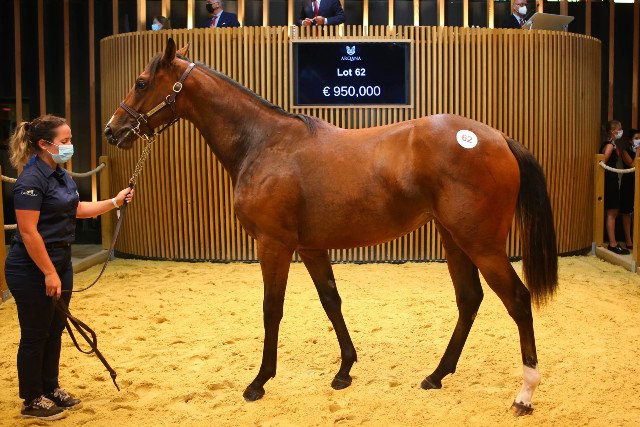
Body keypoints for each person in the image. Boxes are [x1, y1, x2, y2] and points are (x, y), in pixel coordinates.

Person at [5, 115, 134, 420]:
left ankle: (50, 387)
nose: (70, 145)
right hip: (31, 267)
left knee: (55, 329)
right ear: (44, 144)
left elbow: (77, 209)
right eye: (64, 141)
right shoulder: (30, 180)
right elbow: (28, 232)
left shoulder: (61, 175)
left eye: (70, 139)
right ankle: (32, 399)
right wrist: (49, 272)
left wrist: (114, 202)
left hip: (60, 261)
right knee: (35, 334)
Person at [600, 119, 629, 255]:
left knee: (613, 211)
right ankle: (612, 243)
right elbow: (602, 162)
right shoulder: (609, 146)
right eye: (619, 129)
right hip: (609, 181)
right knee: (612, 211)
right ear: (612, 131)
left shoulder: (611, 144)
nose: (620, 132)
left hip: (612, 179)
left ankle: (613, 242)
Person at [619, 129, 640, 251]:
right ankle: (628, 240)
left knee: (637, 212)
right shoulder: (625, 151)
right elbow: (632, 165)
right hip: (628, 184)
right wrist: (638, 152)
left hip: (638, 184)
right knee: (626, 212)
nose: (639, 140)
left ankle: (636, 238)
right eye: (636, 138)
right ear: (630, 140)